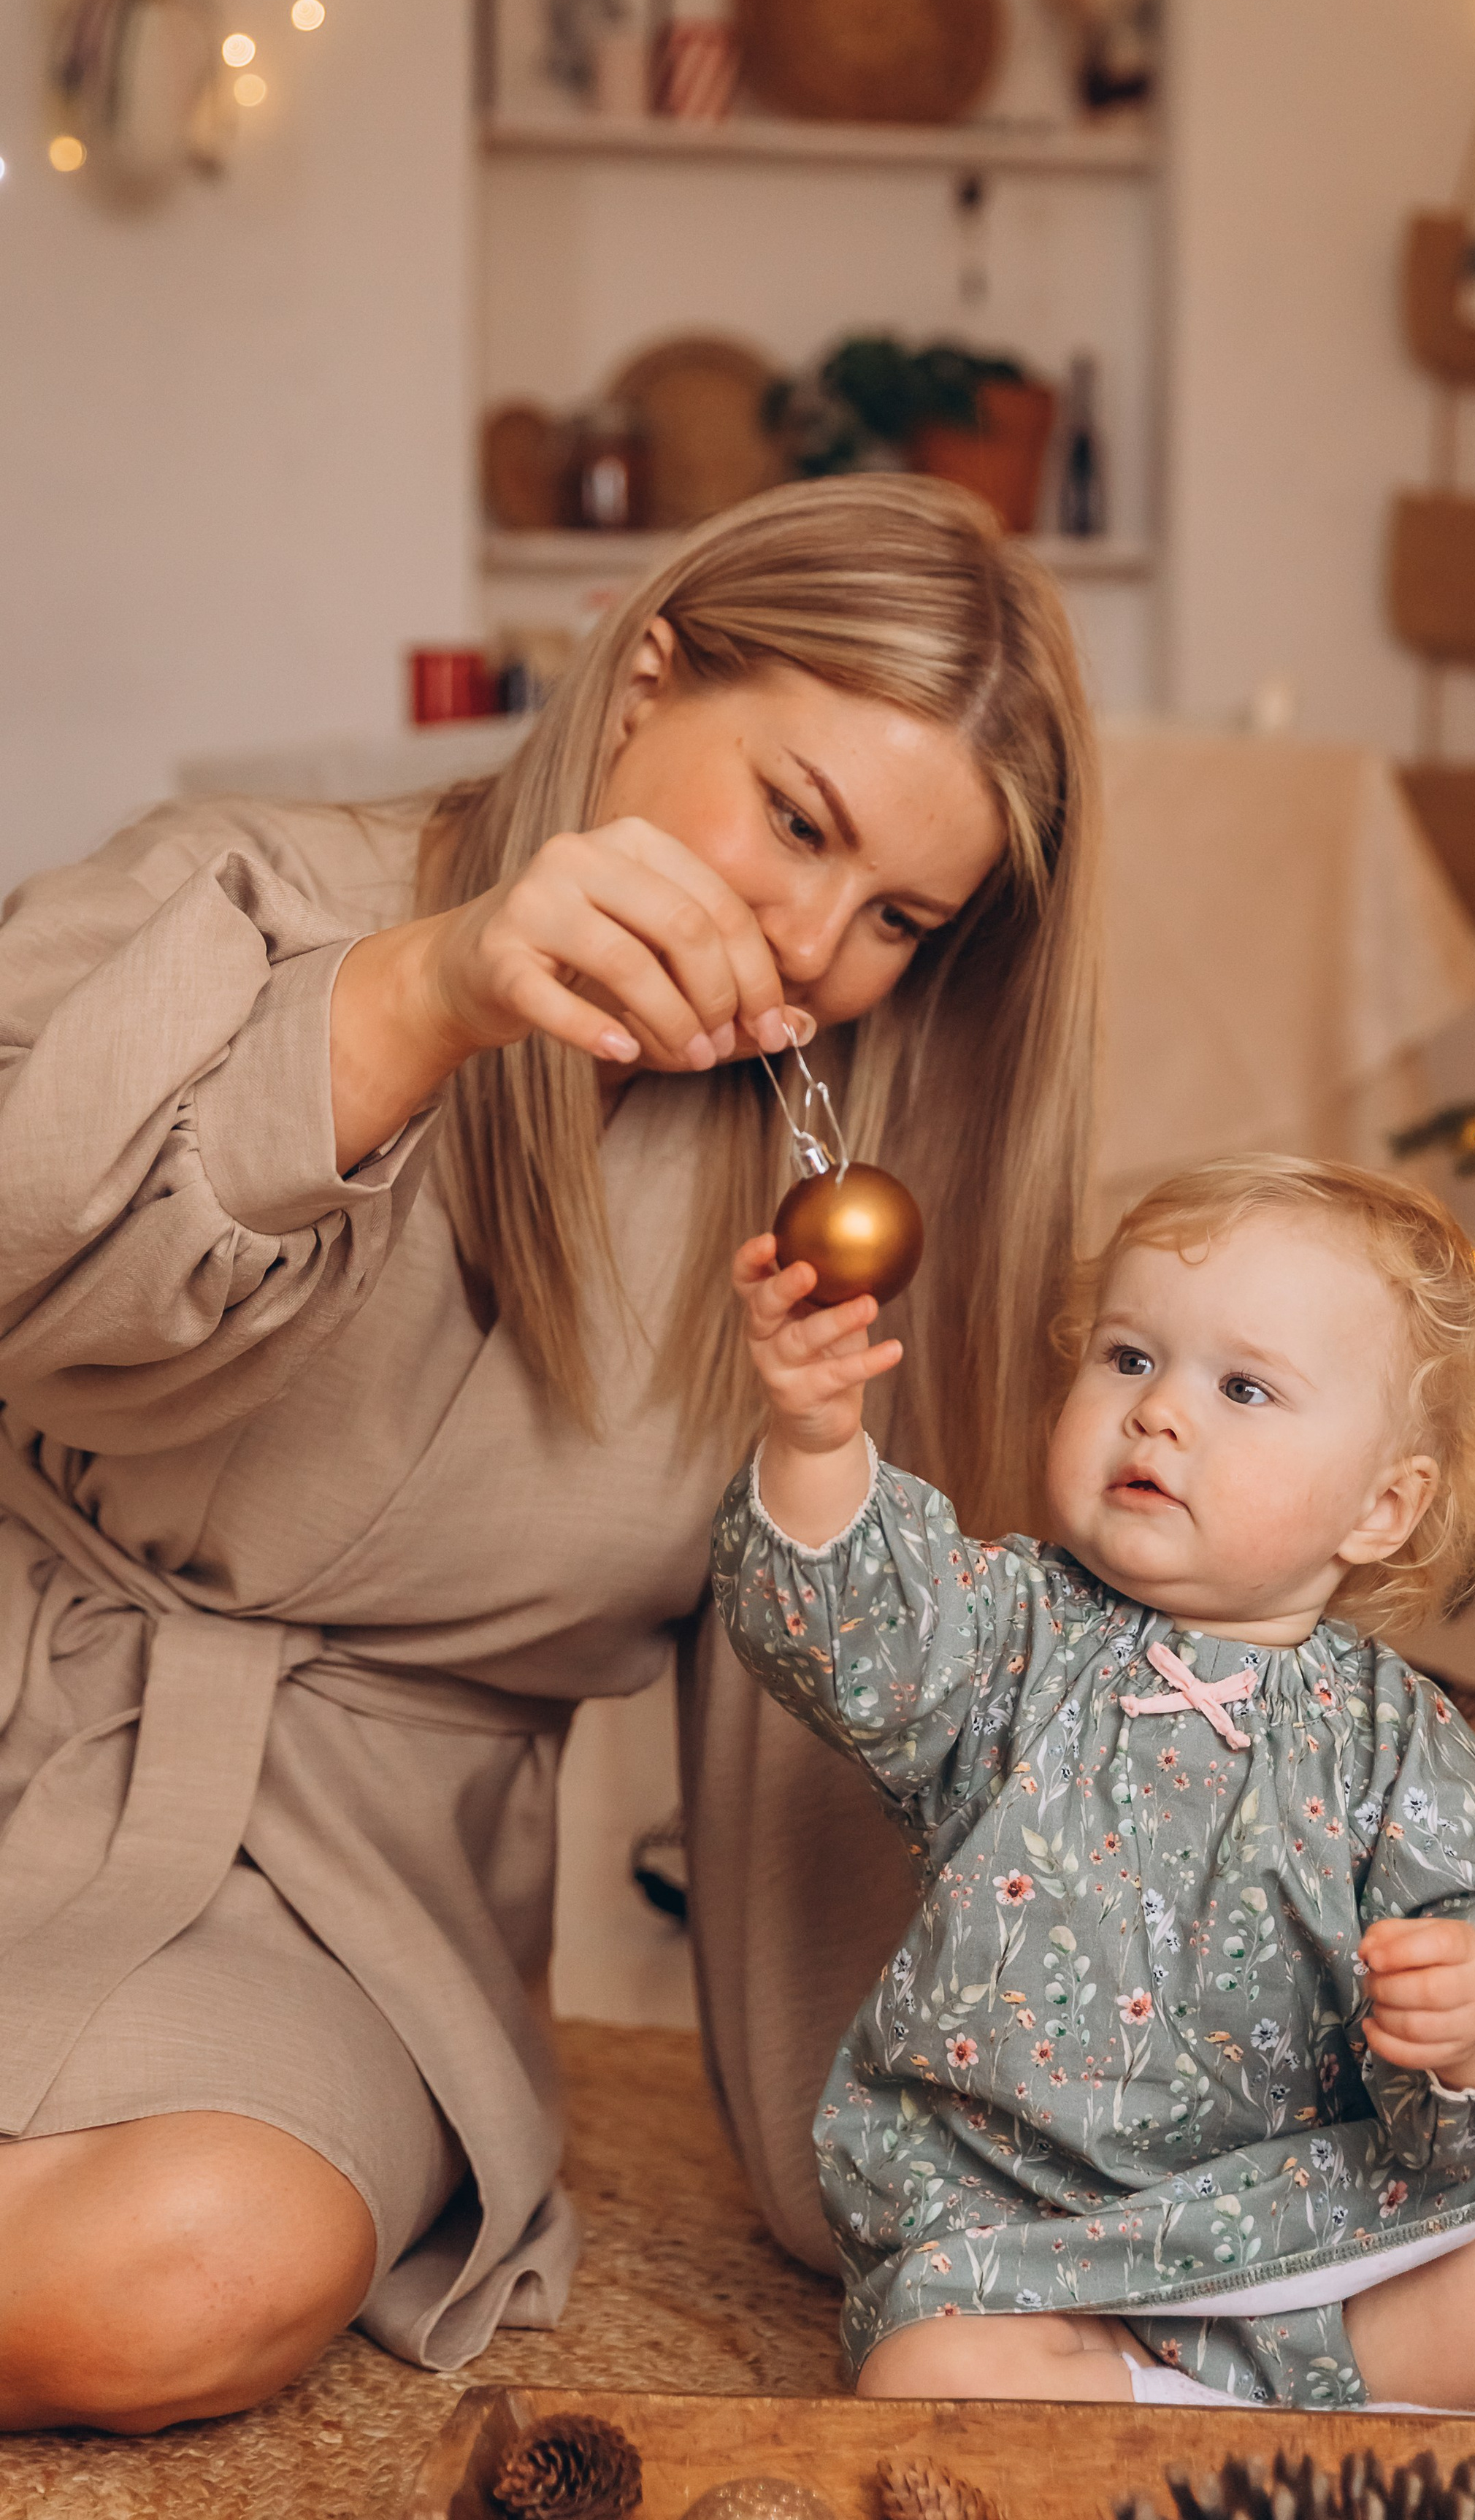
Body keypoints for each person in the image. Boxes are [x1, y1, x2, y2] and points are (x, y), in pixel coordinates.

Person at [0, 476, 1101, 2434]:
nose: (811, 938)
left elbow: (846, 1707)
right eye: (796, 823)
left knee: (185, 2273)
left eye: (897, 919)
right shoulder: (251, 888)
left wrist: (901, 2171)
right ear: (642, 679)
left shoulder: (854, 1177)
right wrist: (422, 994)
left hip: (344, 1887)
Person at [718, 1152, 1475, 2520]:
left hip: (1346, 2251)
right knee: (923, 2375)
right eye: (1131, 1358)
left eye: (1241, 1388)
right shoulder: (1013, 1638)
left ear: (1382, 1508)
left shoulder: (1396, 1737)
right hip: (1046, 2258)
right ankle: (1253, 2462)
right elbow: (850, 1626)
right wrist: (818, 1439)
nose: (1160, 1417)